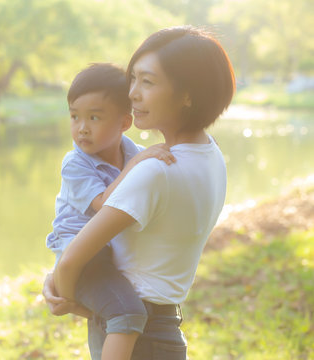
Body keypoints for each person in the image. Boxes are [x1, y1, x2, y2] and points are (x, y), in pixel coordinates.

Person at [44, 25, 235, 359]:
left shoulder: (153, 169)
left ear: (187, 94)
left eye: (147, 82)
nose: (132, 93)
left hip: (135, 333)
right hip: (164, 327)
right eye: (133, 79)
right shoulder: (211, 154)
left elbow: (73, 257)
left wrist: (65, 291)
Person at [46, 63, 176, 360]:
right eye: (74, 116)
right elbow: (105, 204)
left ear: (124, 122)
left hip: (105, 253)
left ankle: (83, 308)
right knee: (128, 313)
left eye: (94, 117)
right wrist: (137, 163)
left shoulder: (131, 151)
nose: (82, 127)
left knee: (114, 311)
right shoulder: (75, 163)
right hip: (78, 252)